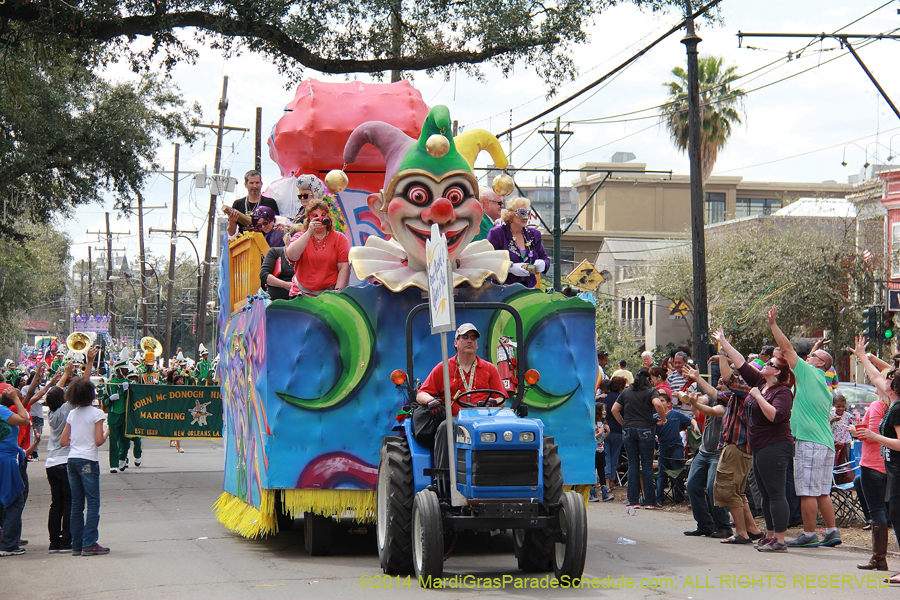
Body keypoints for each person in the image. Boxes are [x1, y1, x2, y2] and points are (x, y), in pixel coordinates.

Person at [713, 325, 794, 553]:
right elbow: (740, 363)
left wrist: (758, 397)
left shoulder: (782, 391)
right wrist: (724, 343)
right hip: (758, 447)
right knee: (766, 494)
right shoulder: (761, 384)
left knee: (776, 493)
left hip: (776, 447)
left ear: (777, 372)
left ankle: (780, 539)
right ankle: (769, 535)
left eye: (770, 364)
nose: (765, 364)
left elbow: (776, 416)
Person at [766, 307, 841, 548]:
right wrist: (816, 348)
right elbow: (807, 358)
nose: (806, 357)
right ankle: (832, 531)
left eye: (811, 356)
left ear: (818, 362)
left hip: (808, 441)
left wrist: (773, 325)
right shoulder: (823, 381)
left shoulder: (808, 372)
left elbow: (787, 349)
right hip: (825, 443)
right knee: (821, 491)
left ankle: (809, 534)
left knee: (808, 491)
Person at [684, 358, 764, 545]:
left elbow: (713, 408)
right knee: (736, 492)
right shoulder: (734, 396)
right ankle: (752, 530)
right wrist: (697, 378)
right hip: (727, 449)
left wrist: (722, 351)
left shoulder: (745, 392)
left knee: (726, 491)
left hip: (736, 447)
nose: (722, 380)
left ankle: (738, 532)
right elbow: (712, 392)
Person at [415, 324, 506, 472]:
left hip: (484, 418)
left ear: (477, 344)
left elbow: (501, 401)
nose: (469, 340)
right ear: (456, 343)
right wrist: (430, 401)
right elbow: (421, 394)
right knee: (446, 427)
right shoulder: (443, 367)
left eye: (473, 338)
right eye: (464, 337)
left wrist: (493, 402)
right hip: (455, 418)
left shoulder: (489, 369)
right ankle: (443, 479)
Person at [847, 338, 895, 574]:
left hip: (875, 464)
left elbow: (871, 434)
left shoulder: (879, 406)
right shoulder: (890, 403)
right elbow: (877, 374)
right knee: (885, 511)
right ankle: (879, 558)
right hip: (888, 466)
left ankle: (879, 558)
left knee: (877, 511)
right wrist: (864, 357)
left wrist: (858, 432)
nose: (875, 380)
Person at [60, 347, 110, 556]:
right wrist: (107, 431)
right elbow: (98, 441)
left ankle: (76, 544)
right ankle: (90, 543)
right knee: (93, 504)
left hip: (72, 460)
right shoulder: (96, 413)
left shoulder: (72, 414)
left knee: (76, 505)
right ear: (91, 394)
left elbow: (64, 441)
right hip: (89, 460)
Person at [611, 369, 667, 509]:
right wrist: (664, 419)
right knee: (647, 465)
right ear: (648, 380)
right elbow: (658, 404)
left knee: (633, 465)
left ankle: (633, 500)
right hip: (645, 430)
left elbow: (614, 409)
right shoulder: (650, 392)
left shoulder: (626, 392)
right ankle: (649, 501)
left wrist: (624, 424)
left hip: (628, 430)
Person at [285, 199, 351, 297]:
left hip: (329, 294)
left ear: (328, 217)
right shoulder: (300, 236)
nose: (319, 218)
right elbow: (292, 256)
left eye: (323, 215)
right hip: (301, 294)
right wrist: (309, 232)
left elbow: (344, 267)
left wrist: (338, 292)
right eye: (315, 216)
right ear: (309, 219)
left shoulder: (339, 238)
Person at [487, 196, 550, 289]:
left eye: (528, 213)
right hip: (503, 289)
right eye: (521, 213)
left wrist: (543, 264)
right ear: (511, 214)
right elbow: (490, 262)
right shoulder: (497, 234)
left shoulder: (534, 234)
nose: (525, 217)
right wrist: (510, 268)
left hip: (529, 290)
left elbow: (545, 259)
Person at [0, 384, 29, 557]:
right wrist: (17, 400)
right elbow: (24, 419)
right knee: (14, 500)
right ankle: (9, 543)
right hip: (5, 460)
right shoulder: (2, 411)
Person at [44, 385, 73, 553]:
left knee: (56, 504)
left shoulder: (51, 413)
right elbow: (78, 388)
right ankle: (66, 540)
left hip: (51, 462)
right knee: (68, 502)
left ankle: (54, 541)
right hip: (65, 460)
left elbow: (57, 394)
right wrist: (89, 363)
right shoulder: (66, 410)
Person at [655, 392, 697, 507]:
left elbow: (690, 420)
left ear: (668, 403)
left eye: (662, 400)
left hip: (676, 447)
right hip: (663, 448)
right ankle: (659, 499)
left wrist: (695, 425)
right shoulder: (655, 417)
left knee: (678, 472)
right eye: (658, 401)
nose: (660, 403)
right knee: (662, 474)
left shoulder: (675, 414)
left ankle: (679, 496)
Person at [100, 359, 141, 473]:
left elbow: (134, 401)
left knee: (125, 440)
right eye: (125, 369)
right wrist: (110, 399)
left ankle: (122, 459)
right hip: (114, 416)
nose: (127, 370)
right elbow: (104, 403)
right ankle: (113, 464)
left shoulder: (129, 383)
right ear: (119, 370)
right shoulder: (109, 384)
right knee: (113, 441)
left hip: (125, 417)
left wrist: (127, 391)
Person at [226, 170, 279, 236]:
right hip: (244, 243)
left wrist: (261, 227)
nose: (254, 186)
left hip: (265, 243)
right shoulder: (238, 204)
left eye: (257, 183)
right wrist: (232, 221)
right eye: (251, 183)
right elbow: (231, 233)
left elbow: (276, 227)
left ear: (261, 184)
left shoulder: (270, 202)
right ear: (246, 184)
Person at [599, 376, 626, 491]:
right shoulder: (622, 398)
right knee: (614, 457)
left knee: (606, 458)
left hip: (604, 430)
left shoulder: (602, 398)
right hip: (619, 431)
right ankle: (612, 480)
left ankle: (606, 484)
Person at [591, 403, 613, 502]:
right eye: (602, 410)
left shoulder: (603, 423)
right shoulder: (593, 424)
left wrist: (607, 432)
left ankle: (604, 493)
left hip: (601, 450)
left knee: (602, 472)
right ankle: (592, 492)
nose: (604, 412)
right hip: (593, 451)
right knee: (593, 472)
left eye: (605, 409)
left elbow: (601, 439)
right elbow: (591, 438)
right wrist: (599, 433)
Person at [831, 394, 853, 481]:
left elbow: (852, 425)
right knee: (835, 461)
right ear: (834, 406)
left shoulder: (847, 416)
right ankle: (834, 479)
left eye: (843, 406)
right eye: (838, 406)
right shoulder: (831, 415)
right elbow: (828, 425)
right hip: (834, 442)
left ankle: (844, 477)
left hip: (845, 441)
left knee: (845, 461)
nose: (840, 409)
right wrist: (833, 420)